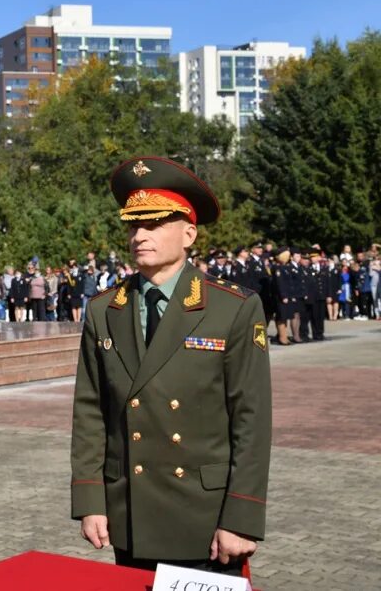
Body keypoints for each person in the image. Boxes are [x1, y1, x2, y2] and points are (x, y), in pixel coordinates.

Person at [71, 156, 271, 575]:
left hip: (204, 517)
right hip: (131, 512)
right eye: (133, 225)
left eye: (155, 223)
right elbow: (91, 413)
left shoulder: (231, 308)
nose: (139, 235)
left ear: (189, 234)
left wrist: (241, 517)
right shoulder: (105, 309)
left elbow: (251, 422)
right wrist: (91, 501)